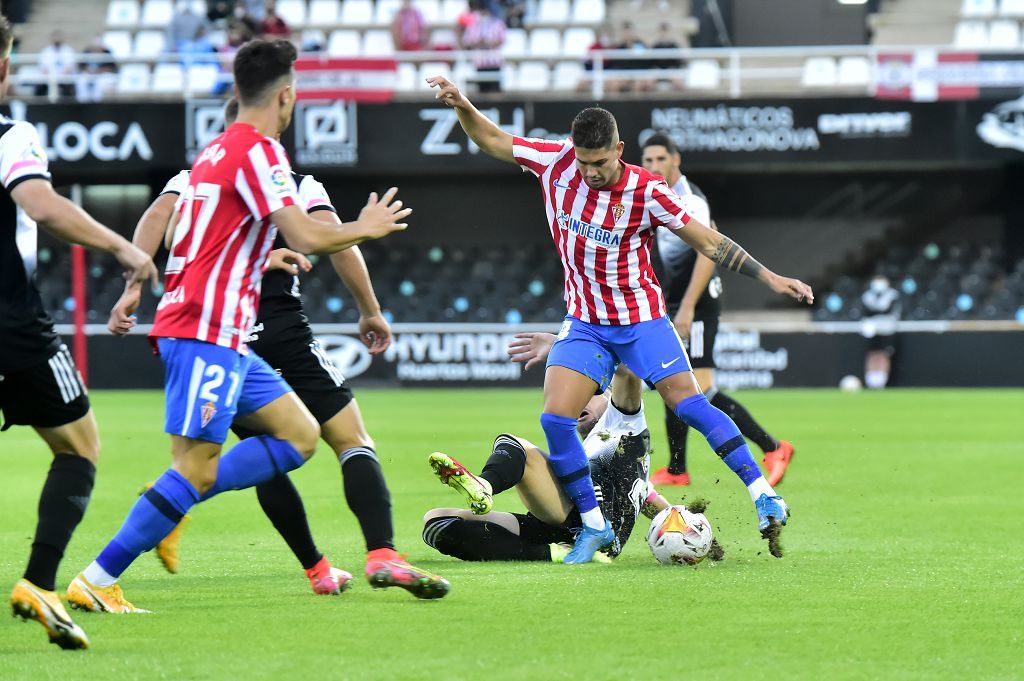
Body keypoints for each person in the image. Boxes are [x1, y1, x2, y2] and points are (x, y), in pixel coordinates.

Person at [65, 39, 411, 616]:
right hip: (203, 331)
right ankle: (100, 575)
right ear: (286, 96)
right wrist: (366, 226)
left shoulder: (215, 153)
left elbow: (196, 236)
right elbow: (307, 236)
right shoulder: (263, 154)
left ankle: (173, 497)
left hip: (222, 333)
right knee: (195, 470)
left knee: (299, 437)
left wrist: (258, 259)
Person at [427, 76, 812, 563]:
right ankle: (592, 527)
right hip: (585, 323)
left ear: (619, 150)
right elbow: (493, 139)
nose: (590, 173)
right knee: (555, 419)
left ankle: (764, 494)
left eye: (601, 163)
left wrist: (771, 277)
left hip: (641, 320)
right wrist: (463, 106)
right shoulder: (555, 163)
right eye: (584, 163)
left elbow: (708, 241)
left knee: (690, 406)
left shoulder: (647, 190)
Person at [109, 98, 449, 599]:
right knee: (352, 440)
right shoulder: (291, 181)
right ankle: (382, 554)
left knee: (264, 450)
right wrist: (369, 309)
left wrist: (136, 277)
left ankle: (316, 570)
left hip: (220, 332)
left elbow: (157, 216)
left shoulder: (195, 177)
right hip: (277, 328)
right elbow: (335, 241)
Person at [0, 15, 159, 650]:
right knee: (79, 446)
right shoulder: (12, 134)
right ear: (5, 64)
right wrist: (123, 246)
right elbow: (39, 204)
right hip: (13, 326)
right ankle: (39, 583)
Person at [424, 337, 670, 563]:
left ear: (609, 394)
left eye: (588, 393)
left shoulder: (625, 423)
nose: (577, 401)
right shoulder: (597, 455)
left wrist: (558, 345)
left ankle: (484, 485)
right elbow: (652, 502)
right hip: (557, 527)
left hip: (588, 524)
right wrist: (681, 522)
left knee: (516, 446)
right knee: (437, 523)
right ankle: (551, 552)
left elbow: (626, 370)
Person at [641, 133, 794, 488]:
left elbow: (708, 254)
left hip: (696, 305)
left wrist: (688, 308)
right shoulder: (654, 194)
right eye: (647, 160)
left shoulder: (690, 200)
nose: (652, 166)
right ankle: (677, 470)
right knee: (671, 381)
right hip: (675, 303)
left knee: (702, 390)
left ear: (676, 159)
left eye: (660, 159)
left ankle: (773, 447)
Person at [860, 274, 900, 389]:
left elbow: (888, 310)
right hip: (872, 331)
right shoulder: (867, 296)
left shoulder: (892, 295)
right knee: (872, 354)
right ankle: (870, 380)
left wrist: (874, 312)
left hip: (887, 330)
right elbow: (865, 311)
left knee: (883, 354)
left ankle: (881, 380)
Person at [461, 4, 506, 93]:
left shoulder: (498, 23)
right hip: (480, 63)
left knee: (495, 91)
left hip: (494, 63)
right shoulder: (473, 25)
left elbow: (501, 40)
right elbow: (467, 42)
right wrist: (481, 43)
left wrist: (487, 42)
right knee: (481, 93)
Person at [36, 30, 76, 99]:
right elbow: (44, 68)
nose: (57, 39)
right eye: (55, 37)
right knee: (39, 87)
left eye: (58, 37)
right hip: (49, 77)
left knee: (68, 88)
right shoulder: (46, 51)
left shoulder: (68, 50)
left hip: (64, 78)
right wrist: (51, 77)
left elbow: (70, 67)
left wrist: (60, 77)